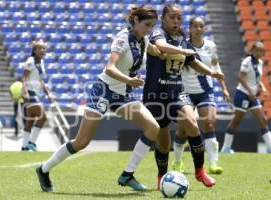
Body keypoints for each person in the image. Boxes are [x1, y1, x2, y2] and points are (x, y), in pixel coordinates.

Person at [35, 5, 161, 192]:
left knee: (153, 128)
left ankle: (127, 174)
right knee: (81, 142)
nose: (149, 30)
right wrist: (129, 80)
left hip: (124, 94)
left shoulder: (143, 40)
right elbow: (110, 67)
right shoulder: (122, 38)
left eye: (152, 26)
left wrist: (182, 53)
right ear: (135, 21)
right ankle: (43, 169)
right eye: (147, 25)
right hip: (103, 90)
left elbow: (157, 51)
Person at [118, 4, 224, 191]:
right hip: (155, 96)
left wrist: (212, 73)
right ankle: (162, 176)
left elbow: (192, 61)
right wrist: (182, 51)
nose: (176, 22)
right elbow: (160, 46)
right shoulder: (158, 33)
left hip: (177, 93)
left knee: (191, 123)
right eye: (172, 18)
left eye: (179, 18)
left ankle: (200, 171)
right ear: (164, 18)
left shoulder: (182, 37)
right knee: (163, 141)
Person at [172, 17, 230, 175]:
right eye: (195, 26)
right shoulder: (182, 46)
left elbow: (215, 66)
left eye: (201, 26)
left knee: (209, 124)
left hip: (205, 91)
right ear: (189, 28)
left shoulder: (211, 46)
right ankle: (177, 162)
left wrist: (223, 88)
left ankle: (213, 164)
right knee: (183, 130)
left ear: (204, 28)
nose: (198, 28)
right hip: (185, 93)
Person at [221, 42, 271, 153]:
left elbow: (256, 78)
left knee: (263, 119)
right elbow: (240, 77)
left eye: (261, 50)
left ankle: (270, 148)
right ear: (251, 51)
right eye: (257, 50)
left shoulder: (260, 62)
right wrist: (250, 91)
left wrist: (262, 87)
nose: (259, 52)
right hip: (242, 95)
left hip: (252, 97)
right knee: (236, 122)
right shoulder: (247, 61)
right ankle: (226, 148)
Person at [21, 38, 53, 151]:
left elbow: (40, 80)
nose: (42, 50)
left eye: (44, 48)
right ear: (34, 50)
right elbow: (23, 77)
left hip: (36, 93)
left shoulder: (41, 62)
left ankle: (24, 147)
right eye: (40, 48)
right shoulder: (31, 61)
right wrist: (24, 91)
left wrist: (48, 93)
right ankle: (31, 143)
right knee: (43, 118)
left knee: (30, 121)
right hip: (30, 93)